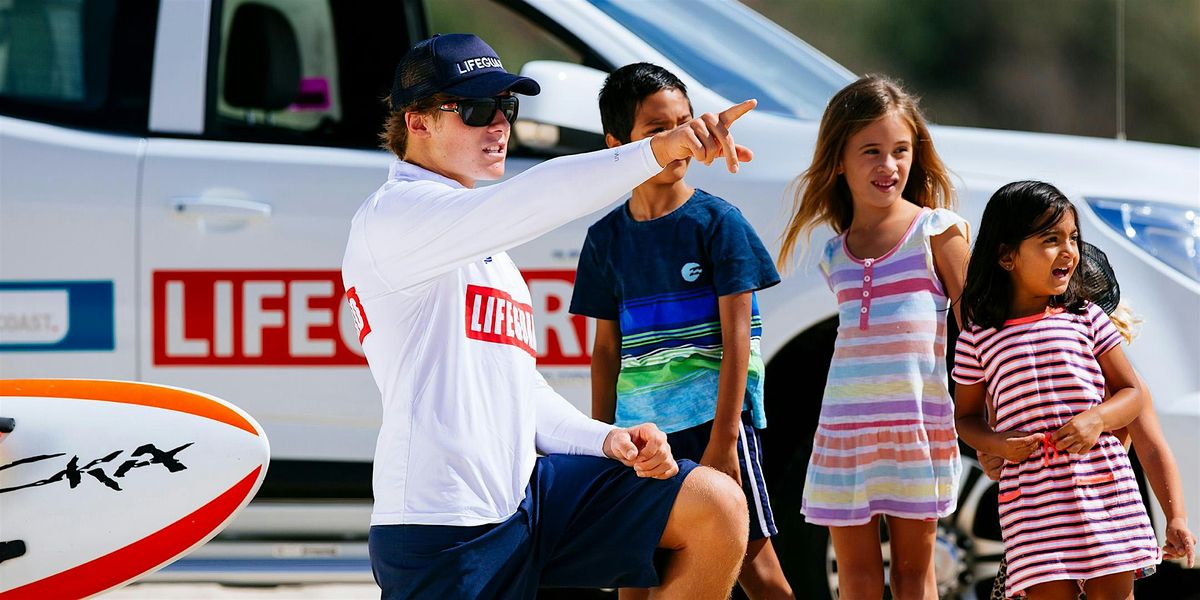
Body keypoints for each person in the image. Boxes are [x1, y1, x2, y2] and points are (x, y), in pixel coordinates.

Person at [341, 33, 759, 599]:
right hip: (440, 527)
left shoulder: (486, 247)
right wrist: (657, 150)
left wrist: (606, 439)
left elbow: (520, 393)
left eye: (506, 109)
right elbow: (537, 196)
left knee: (715, 505)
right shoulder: (395, 216)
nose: (499, 126)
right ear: (417, 122)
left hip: (528, 500)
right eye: (477, 109)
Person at [568, 63, 792, 600]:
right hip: (642, 439)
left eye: (684, 124)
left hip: (716, 429)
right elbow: (606, 351)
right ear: (618, 144)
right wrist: (605, 444)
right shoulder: (604, 240)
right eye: (656, 131)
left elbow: (741, 341)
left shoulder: (719, 223)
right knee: (638, 575)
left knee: (759, 568)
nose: (677, 141)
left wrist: (725, 441)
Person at [776, 75, 969, 599]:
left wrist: (987, 415)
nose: (889, 166)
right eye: (871, 151)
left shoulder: (937, 230)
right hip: (844, 432)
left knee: (914, 576)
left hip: (915, 426)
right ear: (839, 160)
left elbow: (979, 329)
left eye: (900, 151)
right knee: (856, 580)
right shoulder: (834, 253)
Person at [953, 181, 1161, 599]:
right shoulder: (977, 339)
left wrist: (1097, 419)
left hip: (1104, 489)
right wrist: (996, 443)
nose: (1069, 250)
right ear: (1006, 255)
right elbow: (965, 418)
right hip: (1032, 505)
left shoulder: (1087, 318)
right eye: (1051, 239)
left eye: (1073, 239)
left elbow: (1131, 394)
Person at [976, 242, 1195, 600]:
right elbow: (995, 446)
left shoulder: (1125, 387)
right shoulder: (1020, 374)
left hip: (1103, 523)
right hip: (1042, 531)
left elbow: (1153, 449)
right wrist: (993, 453)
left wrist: (1177, 518)